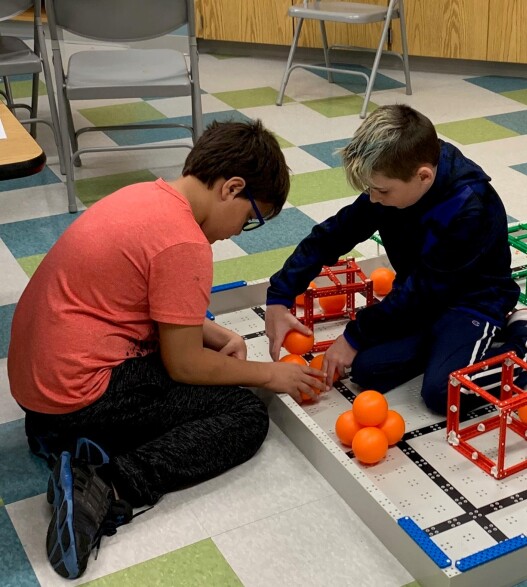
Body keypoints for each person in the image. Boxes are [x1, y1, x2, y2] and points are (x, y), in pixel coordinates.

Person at [7, 120, 327, 580]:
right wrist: (269, 374)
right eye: (250, 217)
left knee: (197, 373)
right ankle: (108, 485)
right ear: (232, 188)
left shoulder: (147, 197)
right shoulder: (185, 242)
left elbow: (142, 296)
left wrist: (213, 333)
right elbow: (184, 364)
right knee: (243, 415)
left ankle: (60, 436)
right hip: (79, 394)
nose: (239, 231)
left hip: (40, 387)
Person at [264, 104, 527, 415]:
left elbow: (423, 290)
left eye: (381, 190)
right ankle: (453, 349)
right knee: (367, 370)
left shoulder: (470, 207)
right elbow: (334, 234)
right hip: (425, 301)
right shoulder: (391, 184)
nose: (372, 199)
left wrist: (354, 335)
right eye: (369, 189)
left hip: (472, 303)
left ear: (423, 176)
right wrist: (280, 295)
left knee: (444, 394)